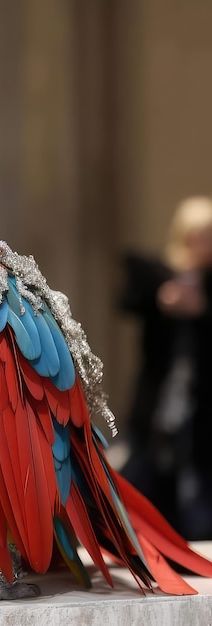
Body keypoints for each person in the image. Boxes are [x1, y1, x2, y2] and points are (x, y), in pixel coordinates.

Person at [120, 195, 212, 539]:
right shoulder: (157, 271)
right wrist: (164, 299)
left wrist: (203, 309)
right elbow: (129, 300)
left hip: (201, 400)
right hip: (159, 397)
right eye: (197, 234)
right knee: (147, 468)